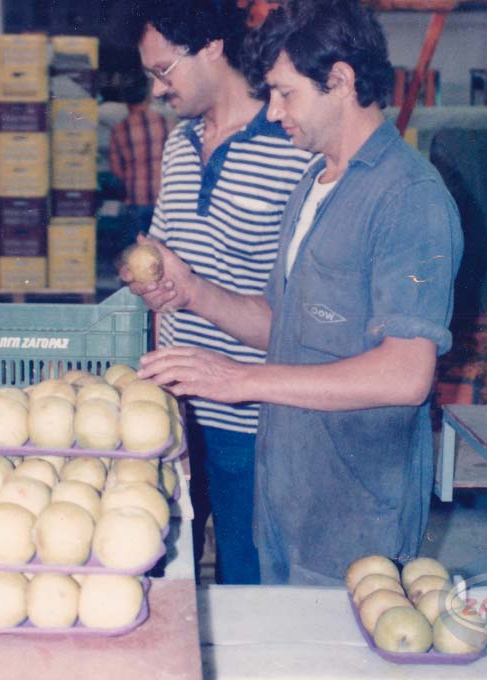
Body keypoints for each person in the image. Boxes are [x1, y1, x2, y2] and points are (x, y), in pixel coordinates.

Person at [128, 0, 463, 585]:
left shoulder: (408, 196)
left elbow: (405, 374)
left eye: (286, 93)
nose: (274, 111)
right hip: (285, 487)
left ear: (340, 81)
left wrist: (240, 380)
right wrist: (194, 292)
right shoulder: (315, 182)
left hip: (354, 509)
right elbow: (277, 325)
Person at [126, 0, 312, 585]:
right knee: (165, 568)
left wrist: (192, 289)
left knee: (246, 574)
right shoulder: (179, 143)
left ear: (211, 47)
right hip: (174, 412)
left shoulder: (292, 146)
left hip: (248, 418)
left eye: (164, 71)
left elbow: (295, 317)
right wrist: (147, 278)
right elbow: (161, 251)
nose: (157, 90)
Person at [108, 70, 171, 249]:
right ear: (147, 95)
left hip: (136, 202)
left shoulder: (120, 130)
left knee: (135, 258)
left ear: (124, 99)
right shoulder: (167, 124)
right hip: (163, 203)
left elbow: (117, 171)